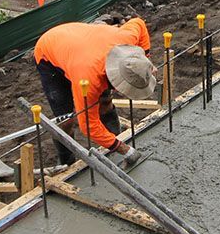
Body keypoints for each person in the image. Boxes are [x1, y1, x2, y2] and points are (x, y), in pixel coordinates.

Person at [32, 17, 157, 168]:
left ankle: (114, 137)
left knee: (105, 102)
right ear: (113, 76)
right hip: (49, 53)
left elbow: (139, 23)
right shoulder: (89, 79)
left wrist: (145, 59)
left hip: (80, 43)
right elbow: (88, 125)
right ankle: (66, 161)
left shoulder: (126, 38)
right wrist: (125, 150)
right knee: (66, 120)